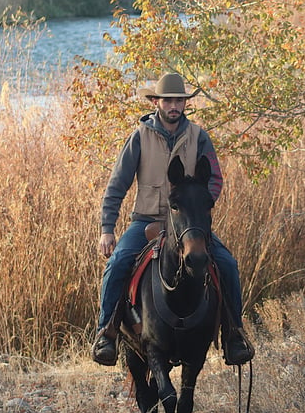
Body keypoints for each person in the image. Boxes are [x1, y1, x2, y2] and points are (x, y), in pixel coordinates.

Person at [91, 72, 255, 367]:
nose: (174, 105)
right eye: (168, 100)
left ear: (184, 103)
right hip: (146, 220)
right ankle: (107, 333)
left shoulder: (198, 136)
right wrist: (107, 229)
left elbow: (214, 179)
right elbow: (117, 184)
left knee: (227, 264)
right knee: (117, 263)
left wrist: (200, 207)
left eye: (179, 100)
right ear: (156, 101)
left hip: (188, 224)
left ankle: (234, 334)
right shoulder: (139, 137)